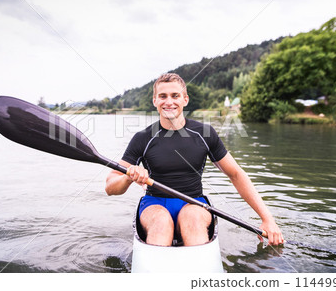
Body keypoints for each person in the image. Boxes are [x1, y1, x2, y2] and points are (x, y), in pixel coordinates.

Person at [105, 73, 284, 246]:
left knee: (192, 219)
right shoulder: (142, 138)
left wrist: (267, 219)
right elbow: (110, 186)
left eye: (175, 95)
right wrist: (128, 176)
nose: (169, 102)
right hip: (154, 204)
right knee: (161, 222)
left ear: (185, 100)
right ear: (155, 101)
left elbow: (236, 174)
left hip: (194, 203)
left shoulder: (205, 134)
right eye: (163, 96)